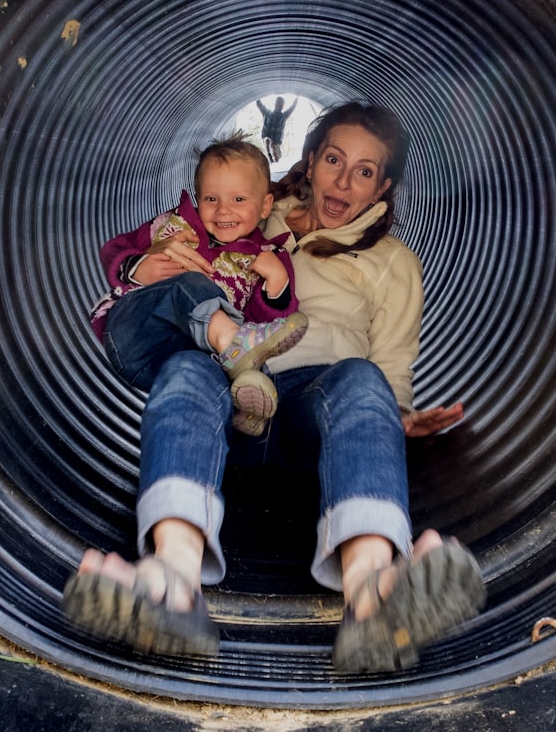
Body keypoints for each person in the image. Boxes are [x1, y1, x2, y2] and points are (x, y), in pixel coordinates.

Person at [64, 103, 486, 674]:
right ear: (310, 163)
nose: (343, 179)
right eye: (334, 159)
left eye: (364, 171)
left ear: (382, 187)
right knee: (185, 370)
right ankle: (172, 583)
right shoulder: (256, 212)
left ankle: (374, 592)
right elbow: (178, 239)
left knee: (362, 379)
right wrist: (151, 263)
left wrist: (397, 417)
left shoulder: (393, 264)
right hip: (226, 401)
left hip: (315, 414)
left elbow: (390, 365)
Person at [88, 134, 308, 436]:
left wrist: (277, 282)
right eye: (211, 199)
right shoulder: (175, 225)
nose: (223, 210)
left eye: (239, 199)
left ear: (265, 205)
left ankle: (246, 405)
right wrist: (139, 267)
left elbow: (266, 326)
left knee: (235, 357)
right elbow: (113, 248)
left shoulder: (269, 257)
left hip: (180, 361)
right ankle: (232, 345)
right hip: (135, 334)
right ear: (198, 196)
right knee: (190, 284)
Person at [257, 96, 297, 163]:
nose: (278, 106)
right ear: (275, 104)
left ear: (283, 107)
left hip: (276, 142)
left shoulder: (284, 116)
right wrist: (257, 98)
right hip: (266, 138)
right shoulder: (267, 113)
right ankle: (269, 154)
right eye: (277, 104)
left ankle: (275, 160)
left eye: (280, 105)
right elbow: (260, 105)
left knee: (277, 157)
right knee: (267, 140)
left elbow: (291, 109)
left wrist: (296, 100)